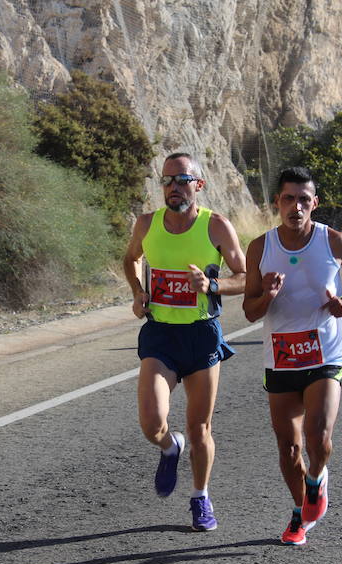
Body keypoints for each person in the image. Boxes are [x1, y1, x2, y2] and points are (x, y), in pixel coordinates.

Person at [242, 166, 342, 546]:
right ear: (277, 203)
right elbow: (251, 311)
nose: (296, 207)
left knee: (318, 435)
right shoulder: (260, 248)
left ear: (314, 204)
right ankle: (301, 511)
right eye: (288, 198)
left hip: (326, 352)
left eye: (304, 199)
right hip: (281, 356)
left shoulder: (332, 240)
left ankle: (316, 479)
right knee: (288, 447)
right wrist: (267, 294)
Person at [122, 152, 246, 531]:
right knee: (151, 422)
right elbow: (130, 260)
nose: (173, 188)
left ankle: (200, 497)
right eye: (167, 181)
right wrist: (137, 292)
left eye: (181, 180)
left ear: (198, 185)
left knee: (200, 429)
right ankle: (167, 446)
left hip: (201, 335)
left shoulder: (217, 226)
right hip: (160, 333)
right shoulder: (147, 224)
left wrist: (212, 285)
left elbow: (244, 277)